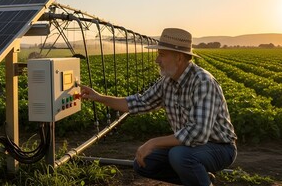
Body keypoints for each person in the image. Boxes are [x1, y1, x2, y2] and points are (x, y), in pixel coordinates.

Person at [80, 28, 237, 186]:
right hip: (190, 148)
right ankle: (201, 179)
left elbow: (198, 134)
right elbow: (139, 103)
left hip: (219, 147)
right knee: (144, 162)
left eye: (162, 54)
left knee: (180, 156)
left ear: (179, 57)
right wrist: (98, 97)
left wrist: (153, 142)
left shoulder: (202, 81)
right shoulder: (167, 82)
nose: (157, 60)